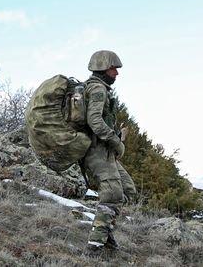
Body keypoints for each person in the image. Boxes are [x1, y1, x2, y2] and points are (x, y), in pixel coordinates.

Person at [82, 50, 137, 253]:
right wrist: (117, 142)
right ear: (104, 67)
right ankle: (94, 249)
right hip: (96, 150)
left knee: (128, 190)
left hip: (104, 150)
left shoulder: (99, 88)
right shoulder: (97, 89)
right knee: (112, 195)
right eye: (114, 68)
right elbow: (94, 121)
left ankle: (105, 236)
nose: (116, 73)